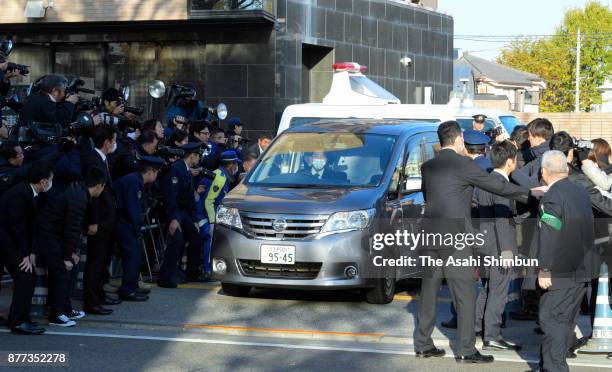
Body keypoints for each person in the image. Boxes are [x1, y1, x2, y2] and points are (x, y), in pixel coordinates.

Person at [414, 121, 538, 363]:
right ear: (459, 139)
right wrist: (530, 194)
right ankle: (466, 349)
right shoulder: (463, 164)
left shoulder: (427, 166)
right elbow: (496, 186)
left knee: (428, 292)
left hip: (430, 234)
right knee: (465, 294)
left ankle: (423, 344)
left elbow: (429, 196)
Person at [535, 150, 599, 372]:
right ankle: (550, 365)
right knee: (564, 320)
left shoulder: (552, 197)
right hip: (583, 266)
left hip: (561, 269)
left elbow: (550, 233)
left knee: (551, 319)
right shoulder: (580, 191)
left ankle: (554, 368)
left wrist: (544, 269)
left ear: (544, 172)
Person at [37, 168, 106, 327]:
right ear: (99, 186)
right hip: (50, 237)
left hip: (56, 236)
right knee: (61, 273)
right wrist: (66, 256)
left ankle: (66, 309)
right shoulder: (79, 198)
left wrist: (70, 254)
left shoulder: (79, 193)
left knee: (70, 271)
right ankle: (56, 314)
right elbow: (72, 229)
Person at [474, 140, 521, 351]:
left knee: (486, 288)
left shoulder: (485, 181)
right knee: (498, 291)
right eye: (516, 159)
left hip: (484, 242)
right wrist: (507, 250)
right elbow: (502, 220)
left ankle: (477, 326)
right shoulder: (501, 185)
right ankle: (492, 334)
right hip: (498, 246)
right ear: (510, 161)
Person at [0, 160, 54, 335]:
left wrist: (31, 252)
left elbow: (30, 227)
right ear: (43, 182)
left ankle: (22, 317)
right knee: (25, 276)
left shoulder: (31, 193)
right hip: (6, 241)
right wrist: (24, 254)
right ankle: (17, 321)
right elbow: (18, 228)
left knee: (27, 276)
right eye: (50, 180)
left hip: (12, 241)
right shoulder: (20, 194)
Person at [81, 125, 120, 315]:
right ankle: (91, 301)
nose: (115, 144)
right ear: (107, 142)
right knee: (95, 263)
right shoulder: (93, 161)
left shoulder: (101, 159)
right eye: (113, 140)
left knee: (102, 261)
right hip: (100, 221)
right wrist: (93, 221)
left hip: (107, 219)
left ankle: (99, 295)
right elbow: (93, 195)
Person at [114, 156, 164, 301]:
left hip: (126, 223)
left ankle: (133, 285)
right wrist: (137, 227)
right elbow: (132, 208)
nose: (156, 175)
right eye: (156, 172)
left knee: (136, 255)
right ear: (150, 171)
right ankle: (127, 290)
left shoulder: (137, 181)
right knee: (132, 256)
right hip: (124, 223)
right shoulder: (134, 182)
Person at [158, 142, 203, 287]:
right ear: (192, 156)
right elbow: (172, 196)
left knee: (196, 238)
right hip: (175, 212)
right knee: (176, 241)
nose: (199, 159)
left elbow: (190, 198)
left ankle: (192, 274)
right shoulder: (176, 169)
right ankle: (165, 277)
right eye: (197, 156)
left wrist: (195, 220)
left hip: (184, 212)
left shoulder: (186, 170)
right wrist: (174, 219)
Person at [196, 150, 240, 280]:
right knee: (209, 241)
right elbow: (209, 201)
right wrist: (212, 222)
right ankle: (207, 270)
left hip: (206, 214)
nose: (236, 167)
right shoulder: (220, 177)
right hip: (203, 215)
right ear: (230, 164)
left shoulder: (222, 175)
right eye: (235, 164)